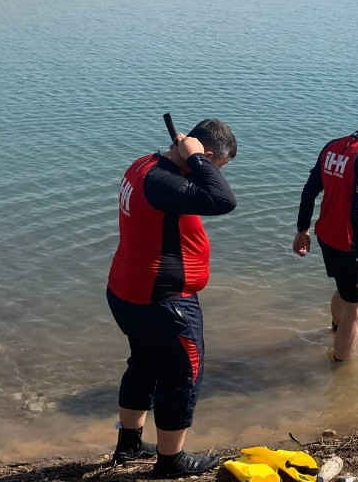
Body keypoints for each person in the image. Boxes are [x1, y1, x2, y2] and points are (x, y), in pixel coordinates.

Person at [106, 119, 237, 478]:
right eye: (218, 165)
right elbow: (224, 200)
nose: (214, 173)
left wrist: (193, 160)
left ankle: (129, 444)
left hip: (128, 290)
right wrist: (198, 161)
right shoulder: (164, 182)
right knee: (182, 376)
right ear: (204, 154)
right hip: (162, 300)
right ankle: (171, 461)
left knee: (144, 363)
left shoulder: (144, 165)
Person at [293, 102, 358, 362]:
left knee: (343, 289)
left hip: (325, 235)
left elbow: (309, 191)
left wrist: (302, 229)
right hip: (348, 243)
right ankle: (341, 370)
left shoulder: (333, 146)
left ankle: (335, 331)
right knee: (357, 306)